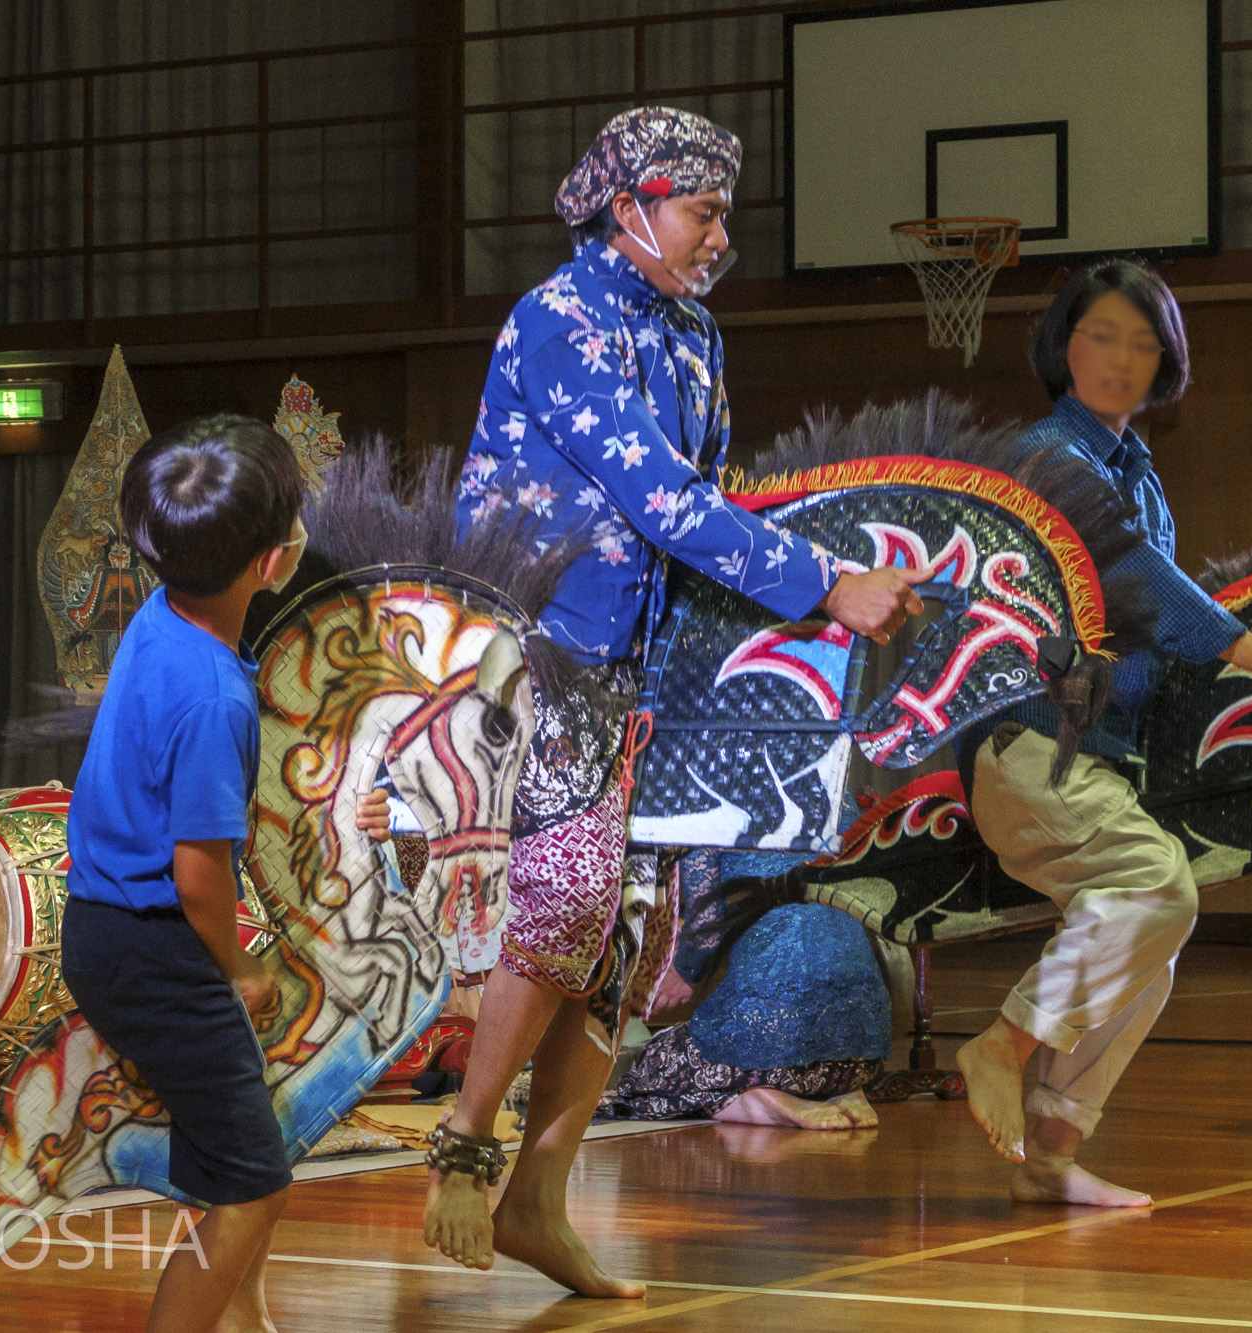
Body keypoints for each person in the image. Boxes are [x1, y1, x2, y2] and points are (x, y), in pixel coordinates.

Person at [424, 106, 924, 1297]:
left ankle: (539, 1201)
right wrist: (822, 586)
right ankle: (462, 1145)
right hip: (535, 650)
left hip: (642, 669)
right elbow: (659, 499)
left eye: (718, 215)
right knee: (568, 895)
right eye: (701, 212)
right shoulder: (558, 321)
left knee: (630, 940)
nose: (714, 236)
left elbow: (710, 497)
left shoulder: (693, 333)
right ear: (633, 202)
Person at [952, 260, 1252, 1207]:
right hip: (1030, 740)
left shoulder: (1139, 472)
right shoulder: (1050, 454)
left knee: (1152, 944)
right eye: (1101, 333)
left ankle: (1050, 1155)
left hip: (1097, 753)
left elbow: (1162, 621)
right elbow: (1136, 579)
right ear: (1061, 345)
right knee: (1154, 887)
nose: (1122, 356)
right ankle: (1000, 1044)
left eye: (1144, 340)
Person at [62, 414, 387, 1333]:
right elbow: (200, 876)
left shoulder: (159, 621)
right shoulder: (212, 692)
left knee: (247, 1168)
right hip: (156, 945)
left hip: (113, 932)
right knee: (253, 1183)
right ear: (274, 561)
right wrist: (242, 969)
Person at [606, 851, 891, 1130]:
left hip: (778, 1059)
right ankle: (848, 1089)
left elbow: (706, 930)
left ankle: (762, 1100)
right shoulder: (839, 802)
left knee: (655, 1064)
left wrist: (683, 972)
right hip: (864, 1054)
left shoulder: (709, 806)